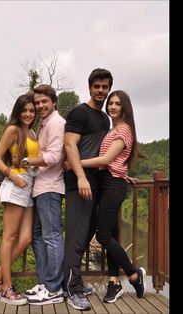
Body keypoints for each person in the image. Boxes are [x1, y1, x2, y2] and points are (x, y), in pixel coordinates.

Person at [72, 90, 147, 304]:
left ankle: (133, 274)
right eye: (110, 103)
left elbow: (106, 159)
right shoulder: (113, 130)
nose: (112, 107)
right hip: (108, 182)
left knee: (103, 236)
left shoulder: (124, 130)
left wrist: (76, 163)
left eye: (117, 104)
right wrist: (124, 174)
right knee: (111, 233)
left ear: (125, 108)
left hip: (112, 186)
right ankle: (114, 283)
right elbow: (115, 161)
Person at [63, 68, 113, 310]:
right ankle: (71, 290)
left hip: (95, 182)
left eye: (105, 87)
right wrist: (81, 176)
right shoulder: (79, 113)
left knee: (87, 232)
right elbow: (70, 145)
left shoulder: (105, 119)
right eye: (97, 86)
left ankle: (75, 282)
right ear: (90, 87)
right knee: (76, 235)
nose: (101, 91)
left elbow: (104, 151)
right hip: (77, 183)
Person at [0, 93, 39, 305]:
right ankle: (6, 289)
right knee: (10, 237)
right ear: (18, 111)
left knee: (25, 238)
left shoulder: (33, 132)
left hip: (29, 186)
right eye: (24, 110)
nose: (28, 114)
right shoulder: (13, 130)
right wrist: (13, 176)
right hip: (16, 184)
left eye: (31, 111)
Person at [23, 84, 65, 305]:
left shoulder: (57, 122)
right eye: (37, 102)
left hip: (50, 187)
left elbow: (55, 156)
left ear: (53, 102)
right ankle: (45, 283)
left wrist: (26, 160)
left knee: (52, 237)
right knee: (38, 238)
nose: (40, 106)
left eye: (43, 102)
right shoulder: (44, 124)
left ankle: (54, 289)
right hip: (40, 187)